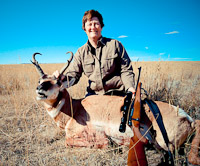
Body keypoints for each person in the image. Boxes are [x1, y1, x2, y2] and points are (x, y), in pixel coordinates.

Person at [55, 9, 135, 97]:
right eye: (89, 24)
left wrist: (130, 88)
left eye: (96, 24)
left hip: (117, 94)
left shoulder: (115, 45)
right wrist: (62, 79)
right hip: (93, 96)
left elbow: (126, 70)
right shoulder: (81, 52)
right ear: (84, 28)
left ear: (101, 27)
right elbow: (74, 74)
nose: (93, 27)